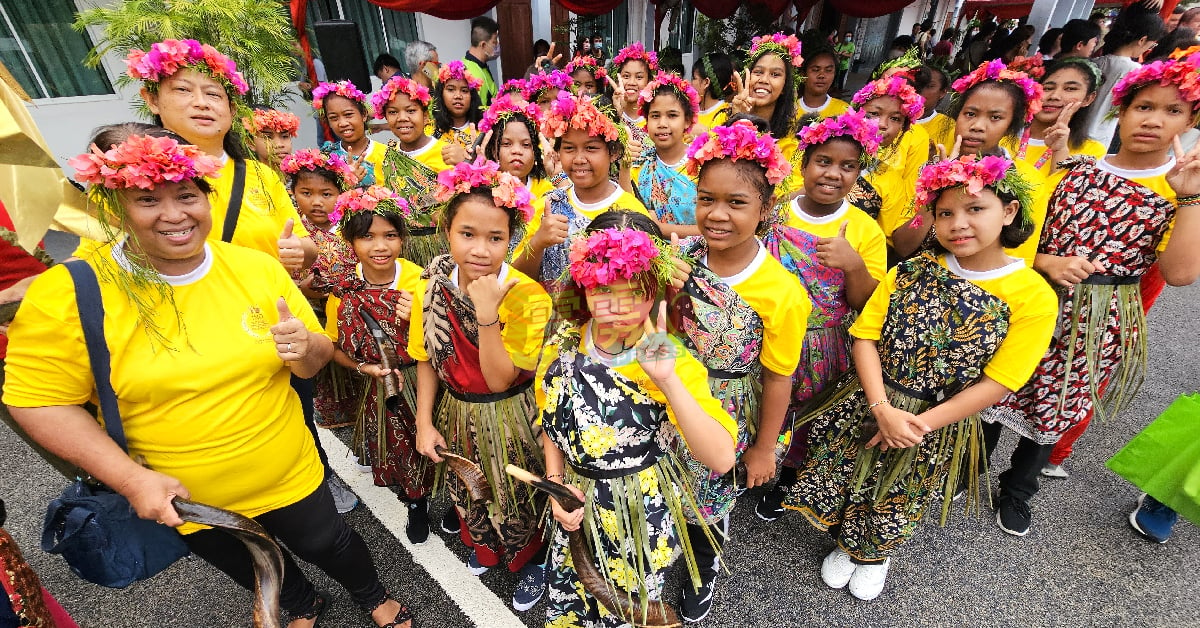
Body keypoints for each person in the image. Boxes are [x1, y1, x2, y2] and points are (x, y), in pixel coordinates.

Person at [4, 129, 412, 628]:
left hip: (288, 470)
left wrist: (307, 349)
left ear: (206, 196)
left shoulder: (254, 268)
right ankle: (304, 603)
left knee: (329, 541)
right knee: (251, 563)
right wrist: (131, 480)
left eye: (186, 195)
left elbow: (316, 357)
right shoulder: (70, 291)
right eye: (148, 199)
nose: (174, 214)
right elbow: (38, 401)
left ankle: (373, 595)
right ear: (114, 206)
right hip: (184, 496)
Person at [784, 153, 1058, 601]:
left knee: (901, 489)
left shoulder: (1032, 295)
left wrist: (917, 424)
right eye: (945, 212)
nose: (958, 223)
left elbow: (999, 382)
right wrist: (881, 407)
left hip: (936, 420)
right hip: (873, 396)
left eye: (975, 208)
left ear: (1009, 212)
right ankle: (845, 541)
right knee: (849, 472)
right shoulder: (911, 270)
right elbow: (865, 336)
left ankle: (874, 554)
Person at [982, 52, 1200, 537]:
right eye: (1144, 106)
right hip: (1033, 294)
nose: (1153, 120)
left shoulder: (1178, 190)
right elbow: (1019, 235)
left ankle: (1018, 490)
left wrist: (1190, 198)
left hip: (1100, 312)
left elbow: (1181, 273)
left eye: (1172, 111)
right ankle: (972, 464)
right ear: (1120, 110)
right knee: (999, 379)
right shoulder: (1075, 169)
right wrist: (1045, 262)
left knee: (1059, 400)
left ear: (1190, 120)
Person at [539, 211, 737, 627]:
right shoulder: (561, 343)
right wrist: (555, 483)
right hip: (575, 504)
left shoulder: (670, 360)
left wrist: (667, 382)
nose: (616, 308)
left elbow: (720, 458)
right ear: (583, 283)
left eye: (635, 291)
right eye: (602, 289)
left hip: (636, 512)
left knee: (626, 606)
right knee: (575, 596)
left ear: (658, 290)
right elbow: (552, 420)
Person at [669, 121, 810, 620]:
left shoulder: (781, 292)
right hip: (667, 393)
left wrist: (764, 447)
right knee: (663, 486)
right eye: (706, 199)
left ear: (765, 208)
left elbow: (778, 377)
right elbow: (657, 327)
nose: (717, 214)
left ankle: (702, 565)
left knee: (708, 498)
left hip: (727, 407)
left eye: (737, 203)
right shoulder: (680, 260)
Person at [411, 158, 552, 610]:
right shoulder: (430, 288)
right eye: (466, 234)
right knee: (469, 485)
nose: (480, 250)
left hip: (510, 412)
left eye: (496, 238)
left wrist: (488, 313)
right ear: (446, 231)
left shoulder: (528, 296)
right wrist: (423, 422)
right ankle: (487, 546)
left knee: (519, 490)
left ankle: (532, 560)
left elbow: (500, 378)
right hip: (457, 411)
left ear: (512, 240)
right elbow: (427, 359)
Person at [758, 111, 889, 520]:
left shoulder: (865, 230)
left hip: (822, 342)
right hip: (768, 329)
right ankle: (755, 458)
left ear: (858, 172)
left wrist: (852, 264)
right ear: (803, 163)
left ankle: (788, 475)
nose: (834, 173)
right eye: (823, 161)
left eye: (848, 166)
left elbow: (869, 302)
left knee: (805, 416)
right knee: (761, 401)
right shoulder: (777, 209)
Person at [321, 186, 433, 545]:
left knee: (431, 441)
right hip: (376, 383)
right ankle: (416, 502)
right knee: (397, 448)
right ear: (350, 240)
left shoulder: (420, 281)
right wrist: (362, 369)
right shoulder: (343, 288)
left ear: (403, 239)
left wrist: (420, 316)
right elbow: (334, 346)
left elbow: (447, 340)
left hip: (422, 379)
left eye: (390, 235)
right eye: (367, 236)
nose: (379, 246)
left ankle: (432, 500)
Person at [894, 60, 1048, 265]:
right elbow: (903, 246)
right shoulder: (931, 169)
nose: (977, 126)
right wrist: (935, 190)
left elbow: (1020, 258)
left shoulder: (1028, 181)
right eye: (970, 114)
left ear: (1011, 125)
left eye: (995, 117)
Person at [512, 92, 651, 286]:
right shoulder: (548, 207)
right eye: (569, 148)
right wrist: (538, 242)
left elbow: (645, 283)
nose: (579, 159)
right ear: (558, 152)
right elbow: (516, 278)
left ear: (613, 153)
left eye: (591, 148)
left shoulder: (631, 210)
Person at [281, 150, 361, 430]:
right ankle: (332, 415)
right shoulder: (292, 234)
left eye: (326, 194)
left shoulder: (352, 227)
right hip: (312, 316)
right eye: (306, 192)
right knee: (325, 375)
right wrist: (302, 291)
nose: (316, 202)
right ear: (293, 192)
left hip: (350, 314)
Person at [372, 75, 462, 267]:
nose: (402, 118)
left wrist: (466, 163)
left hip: (444, 248)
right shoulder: (386, 158)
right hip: (404, 250)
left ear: (426, 116)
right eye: (393, 112)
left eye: (411, 111)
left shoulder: (446, 153)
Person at [849, 75, 929, 252]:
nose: (883, 125)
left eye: (895, 119)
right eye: (874, 114)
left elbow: (887, 243)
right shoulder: (822, 149)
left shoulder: (891, 181)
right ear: (856, 112)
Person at [1084, 3, 1165, 150]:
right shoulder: (1136, 72)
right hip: (1100, 137)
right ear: (1142, 40)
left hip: (1077, 130)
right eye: (1151, 45)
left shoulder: (1094, 62)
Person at [630, 73, 702, 236]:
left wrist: (661, 229)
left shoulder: (704, 164)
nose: (662, 124)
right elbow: (632, 223)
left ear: (688, 120)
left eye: (672, 115)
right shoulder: (638, 168)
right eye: (655, 116)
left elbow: (714, 229)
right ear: (646, 121)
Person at [1011, 58, 1107, 176]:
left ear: (1088, 99)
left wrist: (1060, 151)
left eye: (1070, 89)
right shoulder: (1003, 135)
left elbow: (1063, 193)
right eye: (1048, 88)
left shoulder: (1092, 152)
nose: (1054, 96)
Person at [730, 33, 803, 167]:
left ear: (784, 87)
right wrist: (738, 120)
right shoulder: (722, 119)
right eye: (758, 72)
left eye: (775, 74)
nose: (764, 80)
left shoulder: (790, 144)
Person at [477, 93, 556, 203]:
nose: (517, 151)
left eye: (526, 145)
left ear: (536, 152)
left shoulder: (548, 193)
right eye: (506, 144)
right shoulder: (483, 192)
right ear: (494, 151)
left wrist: (554, 173)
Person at [315, 80, 386, 188]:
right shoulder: (325, 158)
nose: (342, 123)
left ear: (364, 114)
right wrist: (348, 183)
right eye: (334, 118)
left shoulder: (386, 155)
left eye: (348, 115)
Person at [431, 60, 484, 151]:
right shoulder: (430, 130)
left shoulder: (483, 131)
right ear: (441, 94)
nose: (458, 96)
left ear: (472, 96)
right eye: (451, 89)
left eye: (464, 91)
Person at [609, 42, 660, 130]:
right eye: (626, 76)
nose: (632, 82)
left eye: (639, 77)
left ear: (649, 81)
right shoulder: (608, 115)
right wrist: (618, 114)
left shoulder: (656, 116)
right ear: (617, 80)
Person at [798, 38, 851, 119]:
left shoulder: (844, 111)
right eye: (815, 70)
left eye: (828, 70)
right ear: (803, 75)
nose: (821, 75)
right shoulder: (788, 110)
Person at [245, 106, 300, 171]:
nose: (279, 144)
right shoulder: (246, 177)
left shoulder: (304, 177)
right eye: (268, 137)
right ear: (251, 142)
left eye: (285, 136)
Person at [914, 65, 955, 151]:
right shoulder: (895, 118)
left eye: (929, 86)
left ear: (943, 92)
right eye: (917, 84)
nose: (920, 90)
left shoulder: (948, 126)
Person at [690, 52, 734, 131]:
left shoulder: (726, 115)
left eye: (694, 78)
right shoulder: (688, 110)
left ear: (706, 82)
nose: (690, 83)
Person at [463, 16, 500, 106]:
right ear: (483, 45)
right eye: (494, 42)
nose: (497, 45)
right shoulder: (467, 72)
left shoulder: (482, 66)